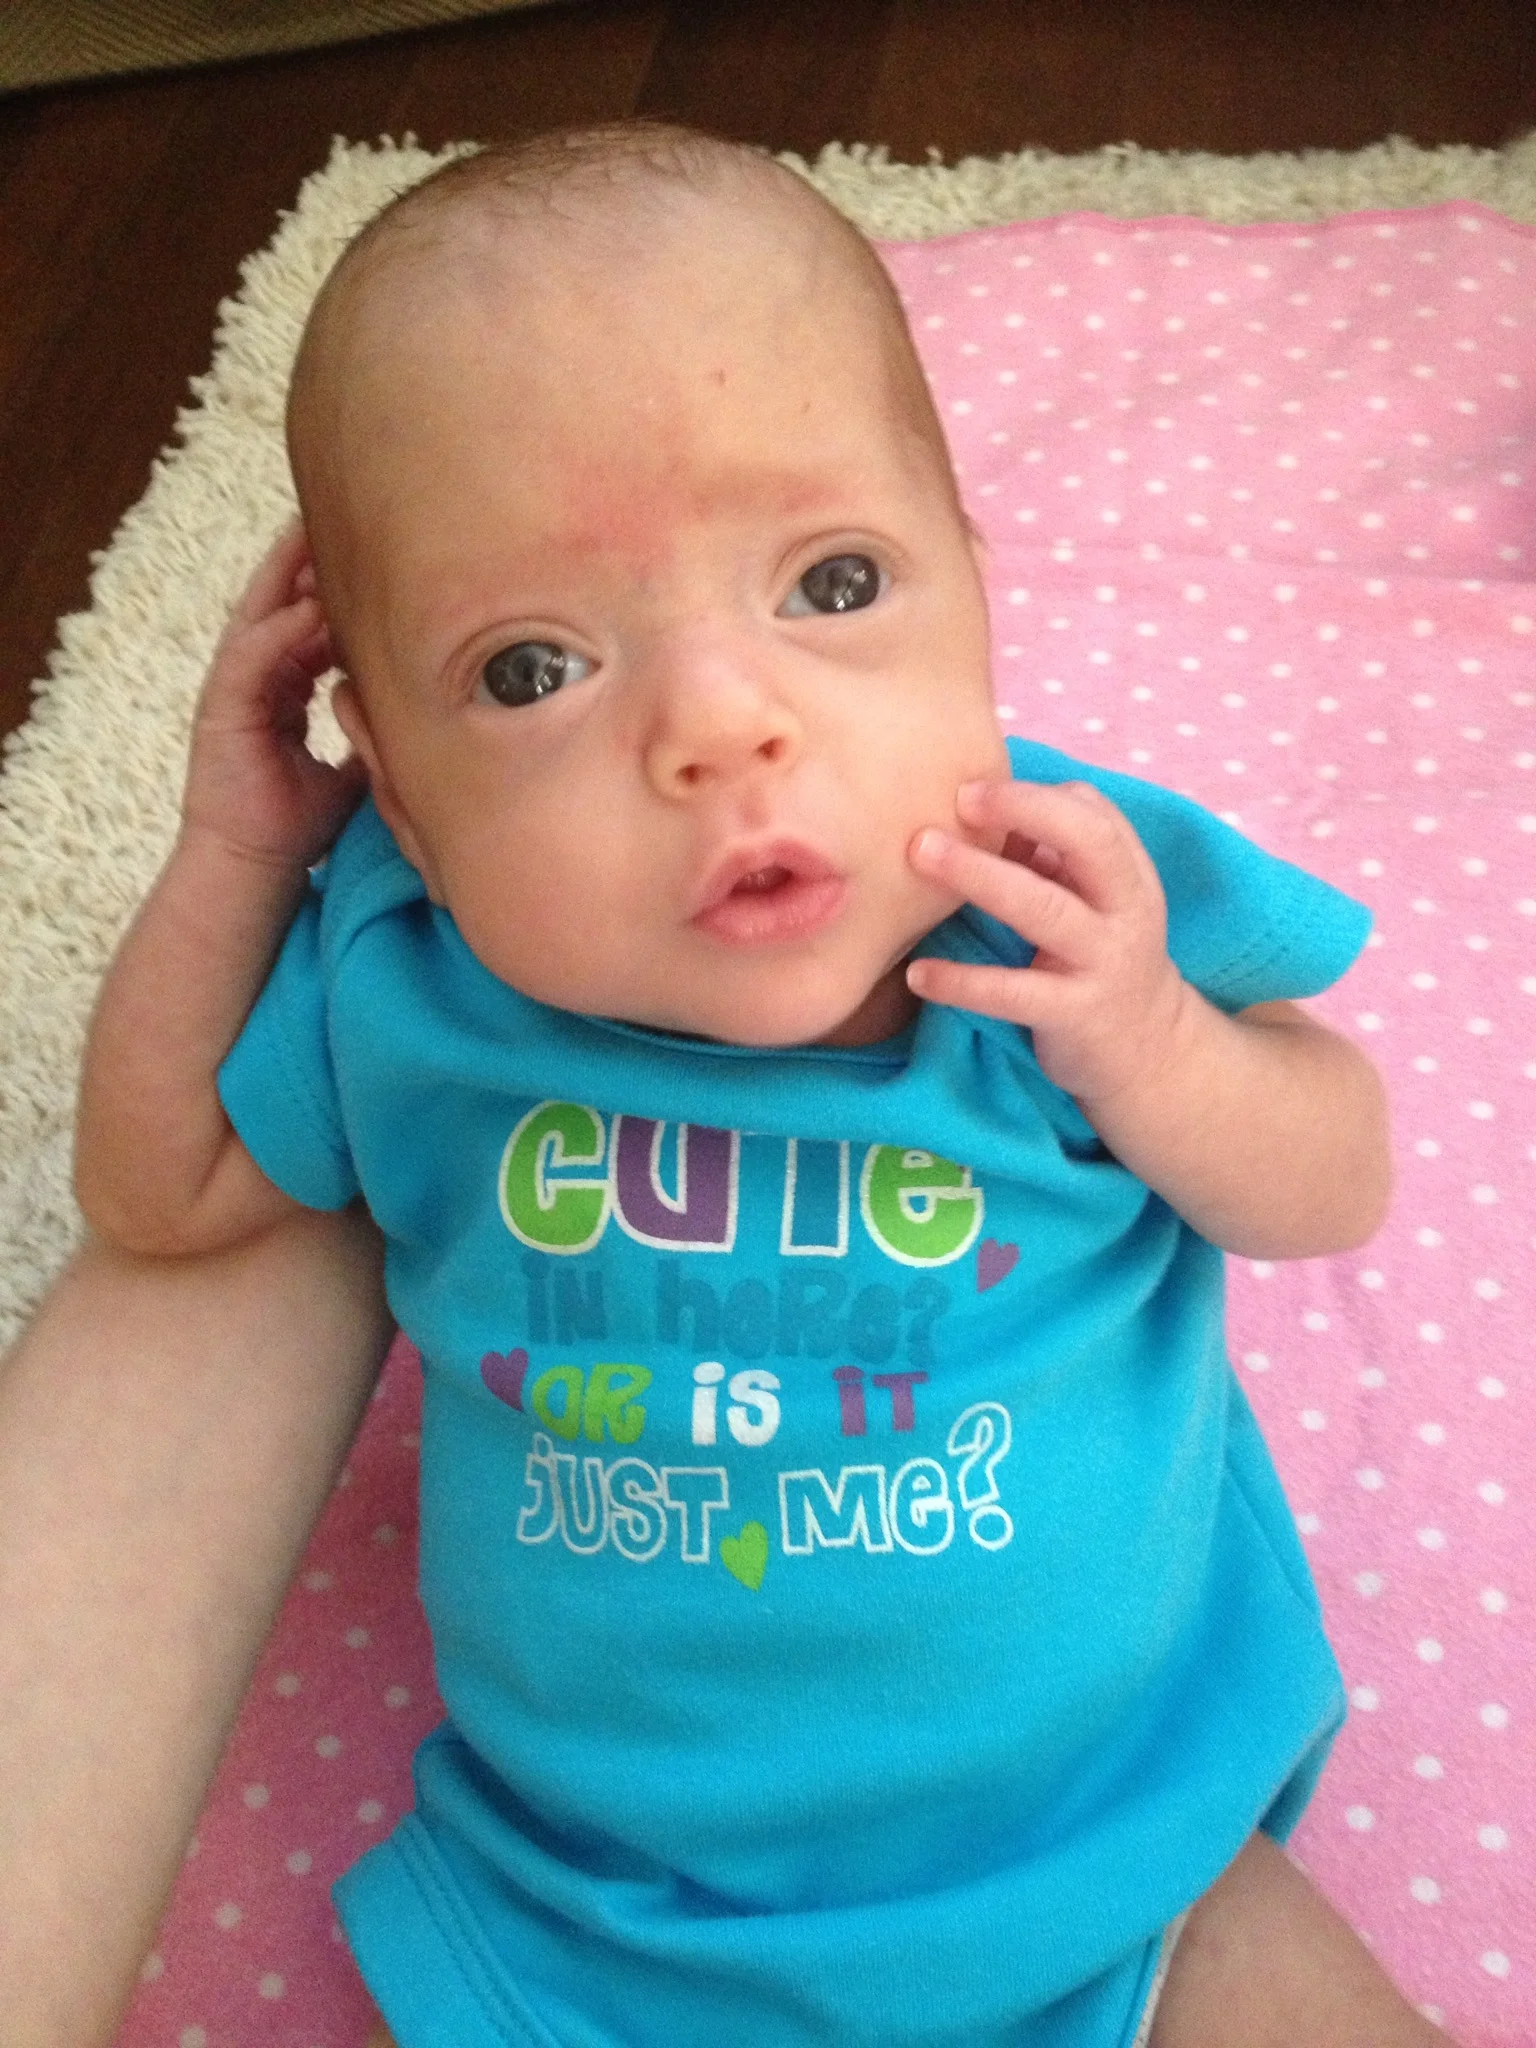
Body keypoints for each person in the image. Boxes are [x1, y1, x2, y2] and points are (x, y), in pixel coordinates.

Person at [66, 120, 1442, 2048]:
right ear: (398, 789)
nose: (723, 723)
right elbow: (158, 1190)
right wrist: (232, 855)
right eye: (533, 670)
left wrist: (1151, 1042)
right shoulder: (409, 973)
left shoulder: (1061, 907)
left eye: (835, 580)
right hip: (611, 1913)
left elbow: (1335, 1171)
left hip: (1114, 1851)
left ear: (976, 598)